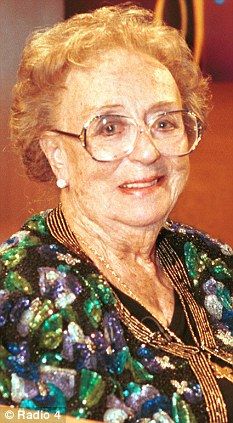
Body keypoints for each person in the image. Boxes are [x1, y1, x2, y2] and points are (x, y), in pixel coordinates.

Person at [0, 4, 232, 423]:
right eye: (109, 127)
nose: (147, 151)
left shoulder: (215, 267)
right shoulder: (19, 297)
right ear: (57, 157)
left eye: (164, 123)